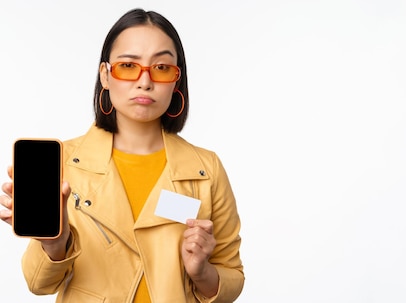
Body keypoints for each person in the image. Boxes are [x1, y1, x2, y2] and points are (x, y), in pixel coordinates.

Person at [0, 8, 244, 303]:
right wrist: (55, 243)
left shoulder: (206, 170)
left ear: (176, 81)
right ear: (105, 75)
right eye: (128, 66)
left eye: (162, 68)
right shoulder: (64, 163)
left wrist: (202, 272)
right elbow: (38, 284)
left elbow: (232, 276)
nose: (145, 81)